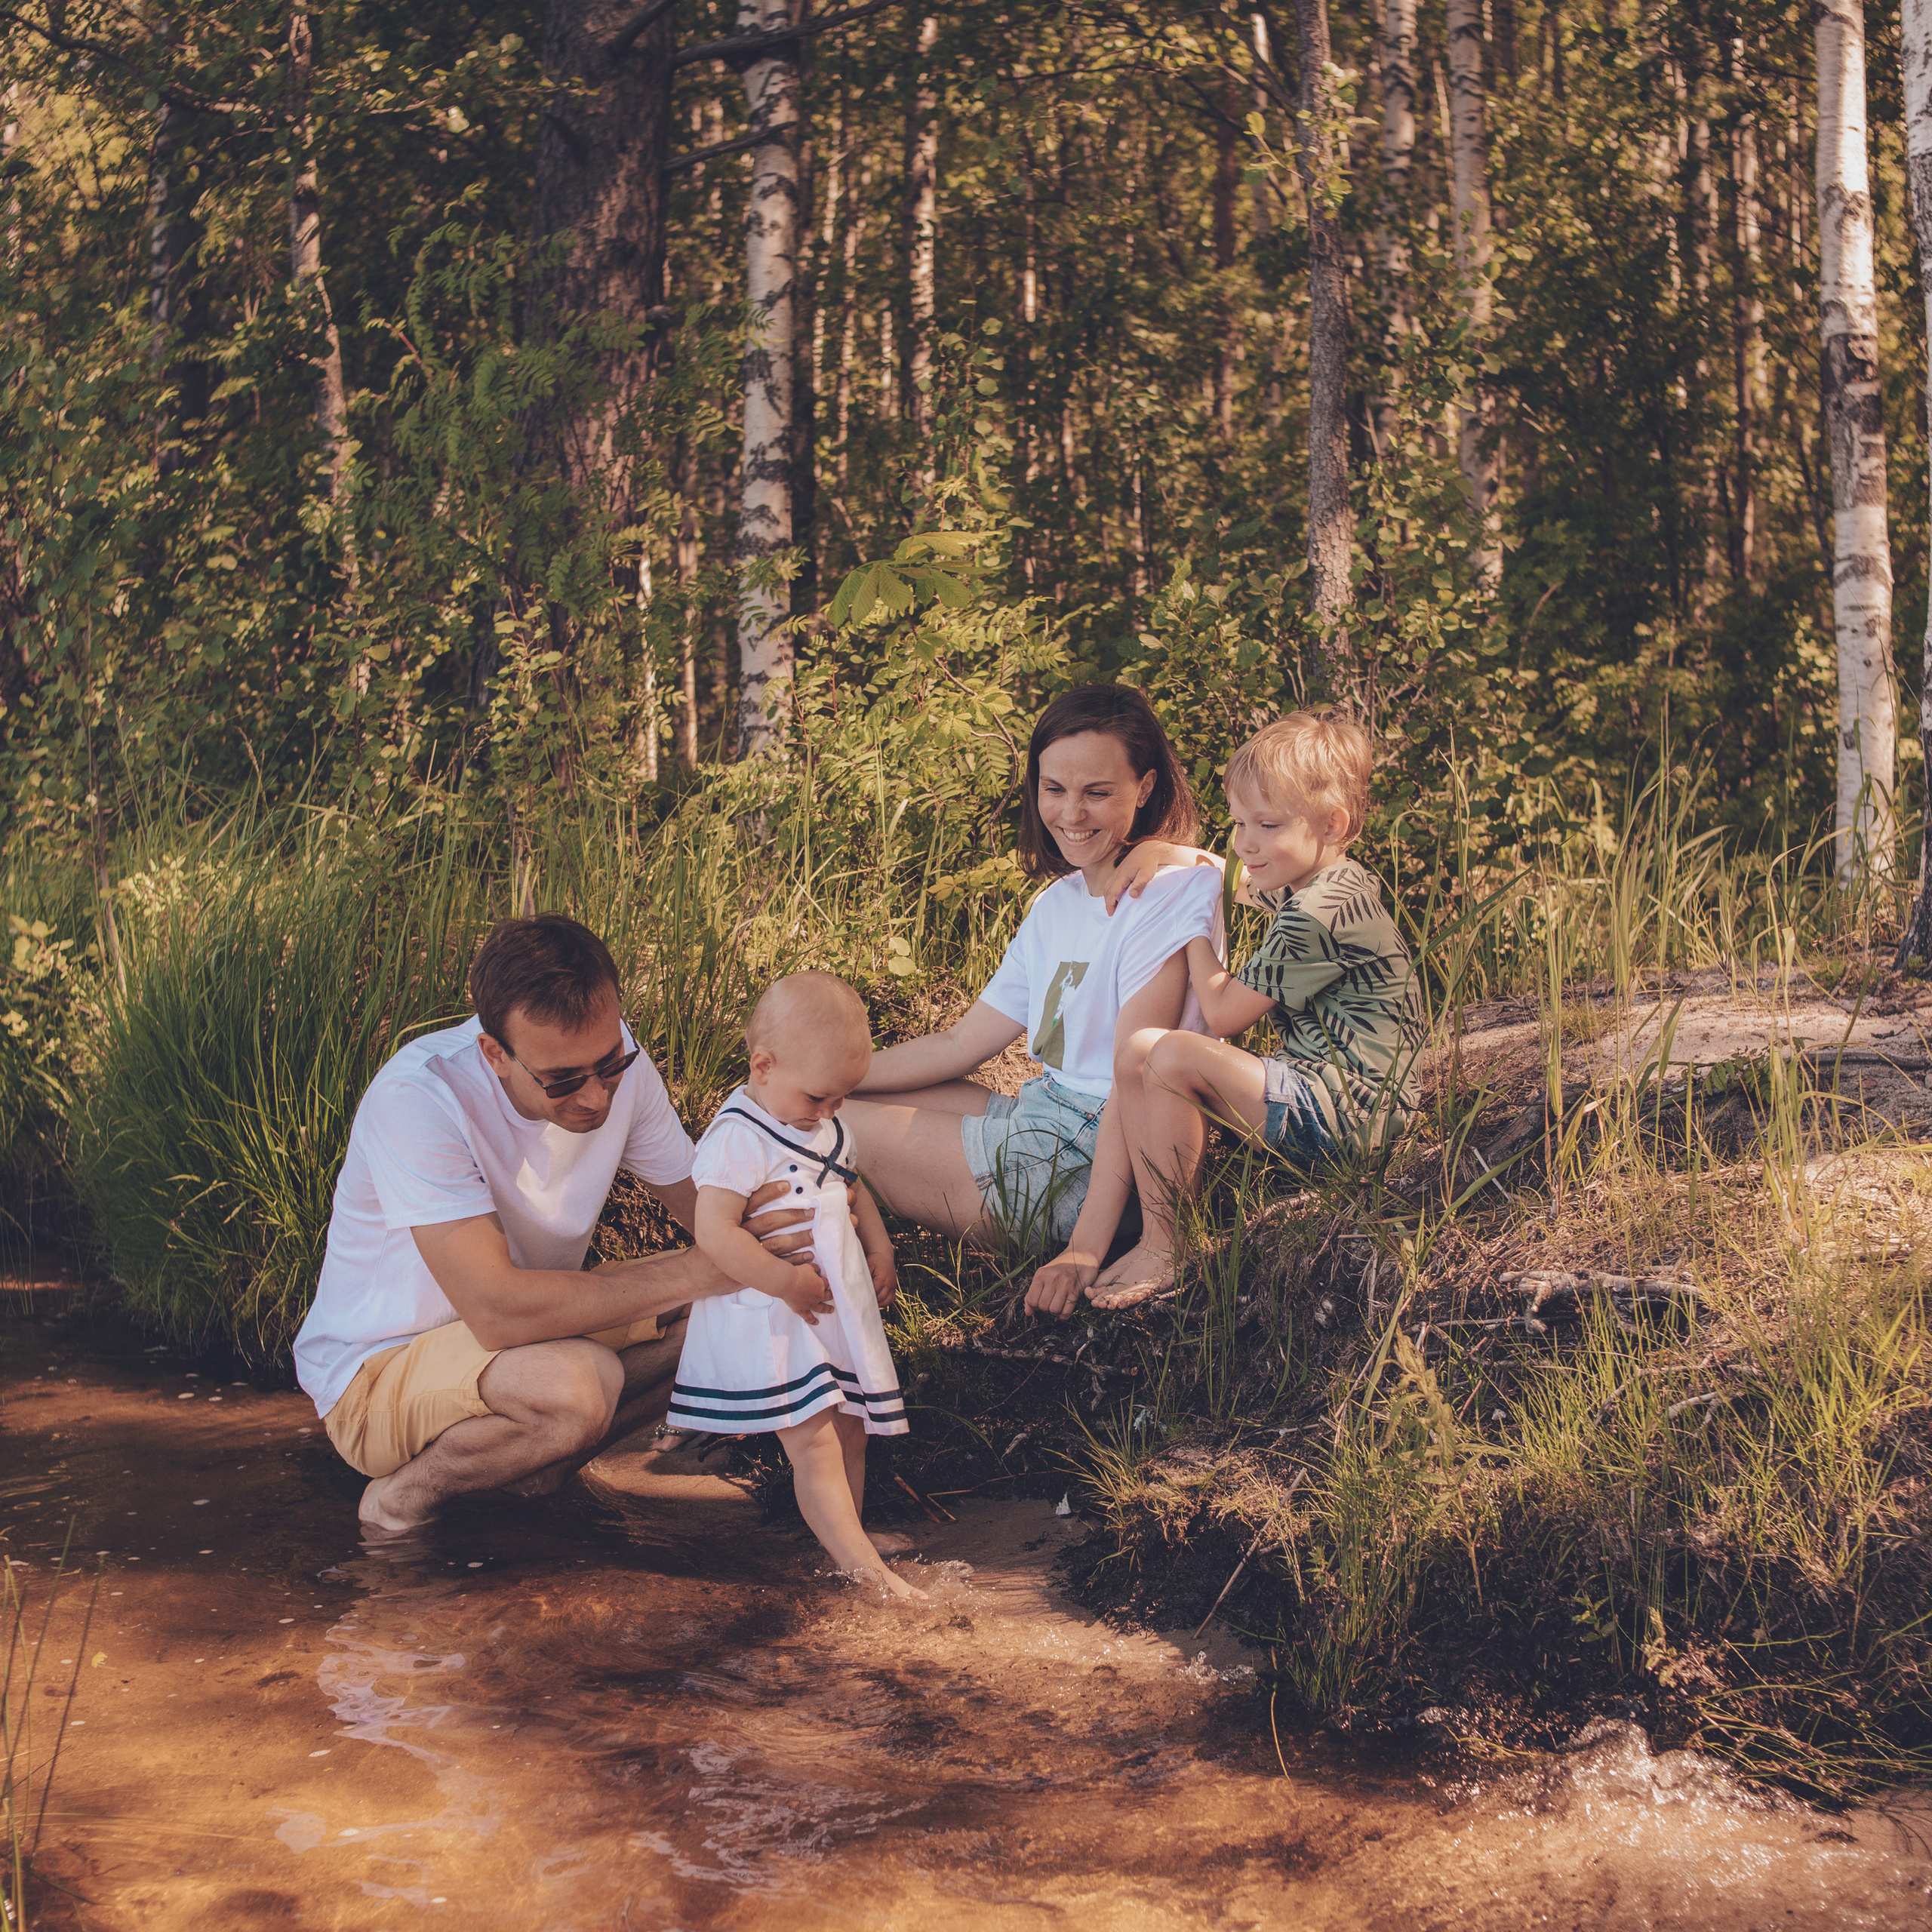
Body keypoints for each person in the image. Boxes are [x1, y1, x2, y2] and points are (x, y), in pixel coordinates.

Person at [294, 913, 823, 1534]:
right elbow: (496, 1311)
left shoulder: (620, 1063)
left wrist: (825, 1244)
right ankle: (399, 1500)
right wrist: (700, 1270)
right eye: (563, 1080)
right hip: (377, 1374)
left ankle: (546, 1465)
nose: (596, 1096)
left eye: (609, 1064)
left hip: (524, 1350)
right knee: (578, 1386)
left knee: (745, 1302)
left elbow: (717, 1212)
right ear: (494, 1054)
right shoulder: (419, 1100)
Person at [844, 684, 1225, 1318]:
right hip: (1042, 1117)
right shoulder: (1054, 906)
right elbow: (961, 1045)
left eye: (1097, 792)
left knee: (818, 1123)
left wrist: (1082, 1250)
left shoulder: (1172, 888)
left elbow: (1133, 1080)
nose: (1072, 814)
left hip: (1099, 1160)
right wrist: (821, 1075)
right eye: (1055, 789)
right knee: (830, 1096)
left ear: (1146, 786)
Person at [1097, 712, 1425, 1303]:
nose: (1247, 842)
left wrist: (1191, 928)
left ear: (1333, 823)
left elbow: (1222, 1014)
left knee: (1170, 1055)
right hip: (1335, 1098)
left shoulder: (1315, 914)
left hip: (1351, 1121)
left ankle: (1169, 1248)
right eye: (1239, 822)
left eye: (1267, 825)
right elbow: (1240, 880)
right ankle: (1154, 1232)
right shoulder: (1335, 883)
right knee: (1136, 1051)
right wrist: (1173, 854)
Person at [667, 971, 923, 1601]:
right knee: (813, 1437)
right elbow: (716, 1231)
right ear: (762, 1066)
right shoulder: (738, 1137)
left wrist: (880, 1246)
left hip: (828, 1307)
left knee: (850, 1426)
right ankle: (867, 1575)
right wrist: (784, 1282)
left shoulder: (822, 1122)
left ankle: (850, 1542)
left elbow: (852, 1186)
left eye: (841, 1099)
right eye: (818, 1098)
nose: (830, 1112)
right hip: (772, 1314)